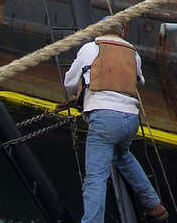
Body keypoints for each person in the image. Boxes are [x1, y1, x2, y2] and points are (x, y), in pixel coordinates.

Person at [64, 27, 168, 223]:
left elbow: (69, 82)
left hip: (104, 118)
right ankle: (154, 205)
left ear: (100, 32)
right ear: (122, 33)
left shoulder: (90, 48)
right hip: (130, 119)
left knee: (95, 177)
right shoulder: (133, 53)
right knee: (122, 156)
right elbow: (140, 81)